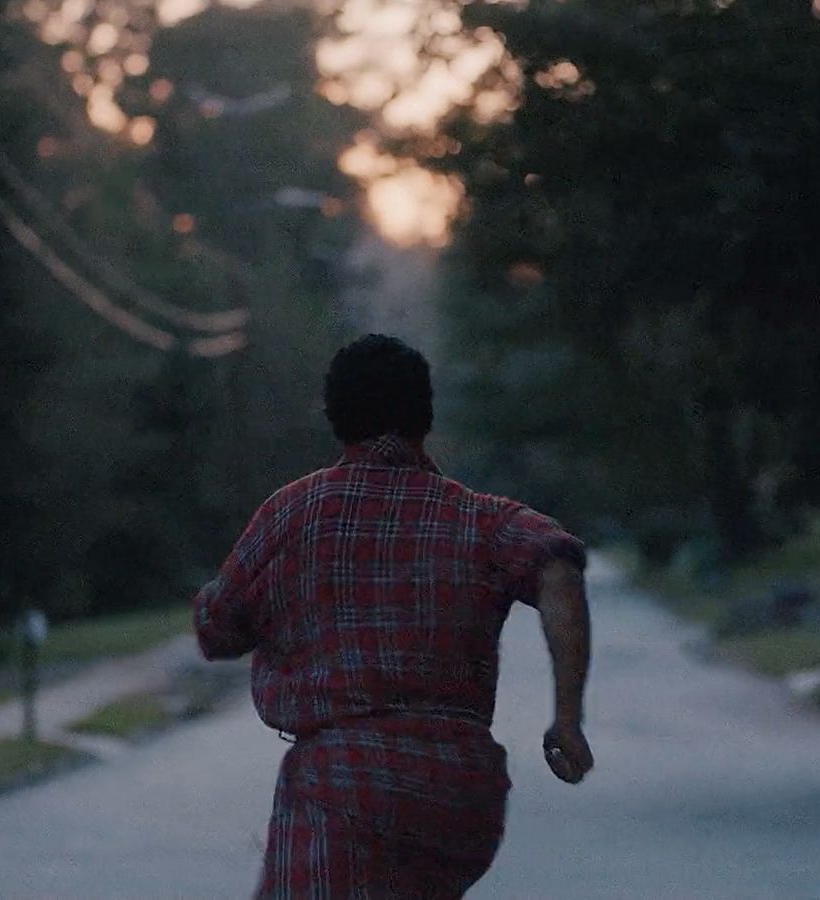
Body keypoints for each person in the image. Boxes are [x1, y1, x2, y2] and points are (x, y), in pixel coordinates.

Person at [193, 334, 594, 899]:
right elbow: (559, 569)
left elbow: (217, 626)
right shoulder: (482, 519)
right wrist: (568, 718)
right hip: (459, 795)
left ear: (335, 418)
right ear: (423, 419)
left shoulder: (294, 512)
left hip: (342, 788)